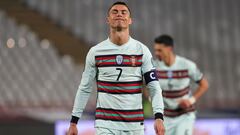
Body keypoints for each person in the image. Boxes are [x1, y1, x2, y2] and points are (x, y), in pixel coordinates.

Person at [67, 2, 165, 135]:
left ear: (130, 20)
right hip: (105, 126)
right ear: (108, 19)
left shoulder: (142, 51)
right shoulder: (96, 52)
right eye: (115, 12)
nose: (119, 14)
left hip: (134, 126)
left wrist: (159, 116)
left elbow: (153, 86)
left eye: (124, 12)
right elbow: (84, 88)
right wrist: (74, 122)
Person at [153, 35, 209, 135]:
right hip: (165, 116)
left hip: (184, 114)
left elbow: (204, 84)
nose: (156, 53)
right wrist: (151, 97)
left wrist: (191, 100)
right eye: (156, 50)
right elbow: (144, 84)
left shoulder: (186, 65)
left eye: (159, 50)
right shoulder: (153, 66)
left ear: (169, 48)